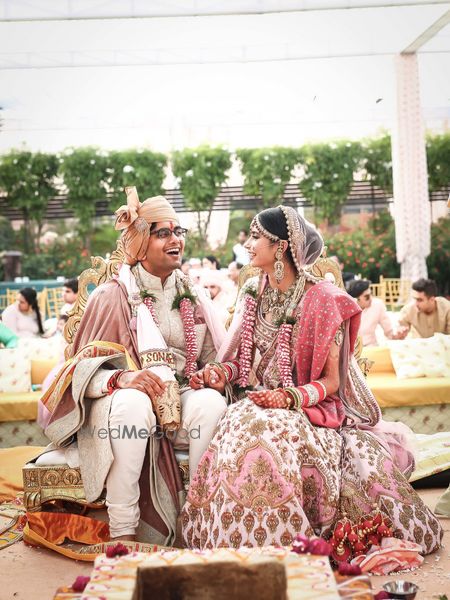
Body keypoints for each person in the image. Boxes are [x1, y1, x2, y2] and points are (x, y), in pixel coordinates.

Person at [182, 206, 442, 558]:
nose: (247, 243)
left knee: (263, 429)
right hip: (254, 402)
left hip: (307, 408)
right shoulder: (252, 294)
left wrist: (288, 398)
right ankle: (237, 544)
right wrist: (216, 374)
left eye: (256, 236)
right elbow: (242, 364)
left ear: (280, 246)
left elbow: (332, 382)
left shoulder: (323, 299)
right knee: (245, 422)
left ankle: (284, 548)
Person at [36, 187, 228, 546]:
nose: (175, 240)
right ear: (141, 242)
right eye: (163, 233)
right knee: (135, 405)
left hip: (180, 394)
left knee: (212, 404)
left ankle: (198, 519)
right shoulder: (113, 296)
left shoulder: (194, 294)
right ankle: (123, 531)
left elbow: (212, 358)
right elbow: (79, 371)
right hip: (120, 397)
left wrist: (209, 373)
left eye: (178, 232)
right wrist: (124, 378)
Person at [347, 279, 393, 346]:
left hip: (371, 347)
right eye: (367, 297)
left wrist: (397, 335)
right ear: (356, 299)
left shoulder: (377, 305)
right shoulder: (347, 310)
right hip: (352, 351)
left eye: (371, 294)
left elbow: (389, 331)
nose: (371, 299)